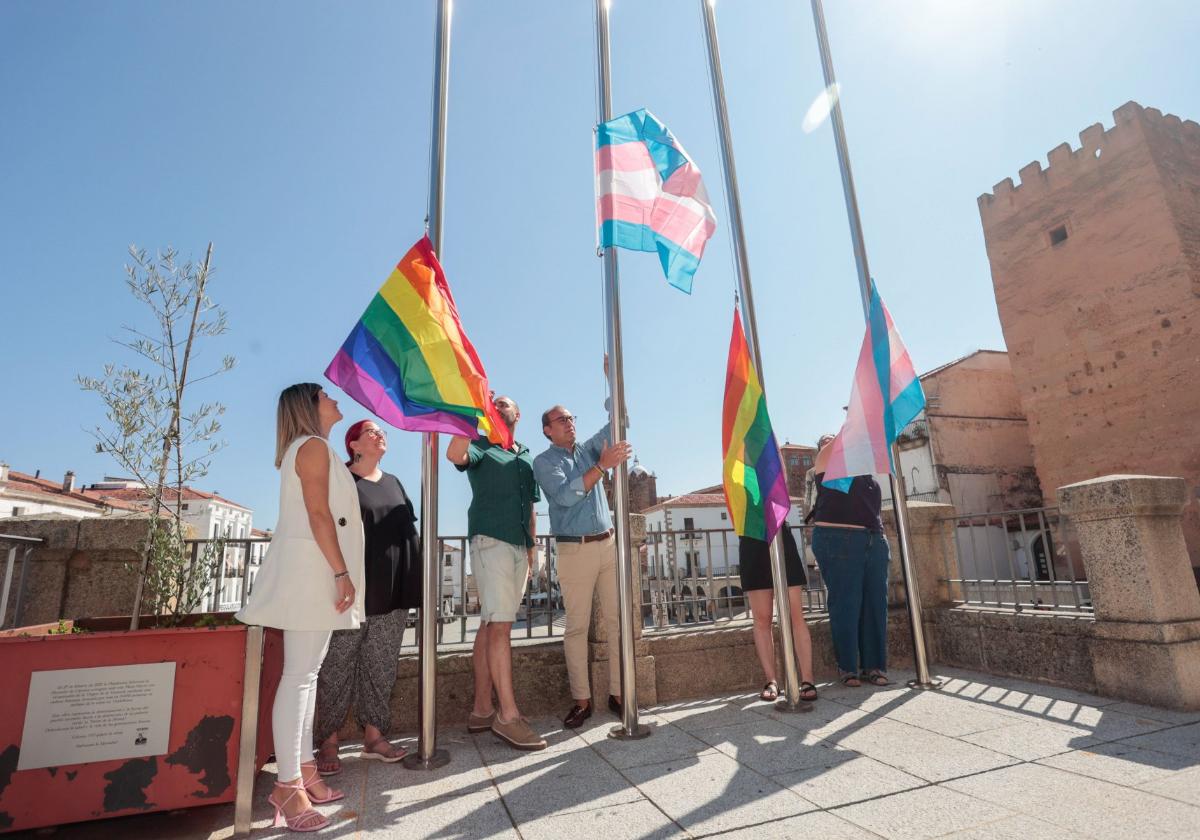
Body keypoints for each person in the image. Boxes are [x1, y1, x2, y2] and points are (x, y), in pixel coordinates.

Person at [236, 383, 364, 833]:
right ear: (309, 407)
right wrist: (340, 571)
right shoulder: (311, 446)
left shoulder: (312, 446)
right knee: (299, 676)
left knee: (305, 675)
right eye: (326, 396)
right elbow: (318, 514)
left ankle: (303, 770)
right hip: (314, 570)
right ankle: (288, 786)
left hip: (315, 570)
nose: (334, 399)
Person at [313, 419, 421, 775]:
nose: (380, 435)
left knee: (381, 665)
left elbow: (408, 531)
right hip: (353, 590)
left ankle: (374, 737)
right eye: (371, 432)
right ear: (354, 445)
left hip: (394, 590)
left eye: (381, 432)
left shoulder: (393, 483)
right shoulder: (342, 481)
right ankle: (327, 740)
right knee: (337, 665)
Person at [447, 396, 547, 751]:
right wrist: (470, 415)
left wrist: (533, 549)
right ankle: (507, 715)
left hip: (519, 546)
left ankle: (481, 710)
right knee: (501, 625)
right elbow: (454, 455)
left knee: (492, 623)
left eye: (504, 403)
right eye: (494, 403)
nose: (498, 406)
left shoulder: (524, 455)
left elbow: (532, 507)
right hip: (491, 542)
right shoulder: (480, 445)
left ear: (518, 414)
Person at [533, 375, 632, 728]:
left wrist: (611, 378)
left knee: (617, 622)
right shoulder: (545, 462)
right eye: (562, 420)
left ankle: (620, 694)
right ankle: (582, 700)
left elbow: (620, 421)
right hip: (574, 551)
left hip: (607, 544)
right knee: (576, 627)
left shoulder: (589, 450)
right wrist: (602, 466)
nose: (570, 423)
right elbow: (564, 495)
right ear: (547, 430)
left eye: (572, 418)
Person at [808, 435, 891, 688]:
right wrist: (853, 423)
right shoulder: (825, 461)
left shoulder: (862, 471)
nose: (831, 440)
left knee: (876, 604)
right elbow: (843, 437)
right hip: (838, 539)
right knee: (846, 603)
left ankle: (874, 666)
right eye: (826, 439)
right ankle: (848, 668)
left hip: (872, 540)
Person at [738, 525, 817, 703]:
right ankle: (771, 681)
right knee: (761, 619)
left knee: (795, 615)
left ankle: (807, 679)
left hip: (780, 535)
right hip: (751, 539)